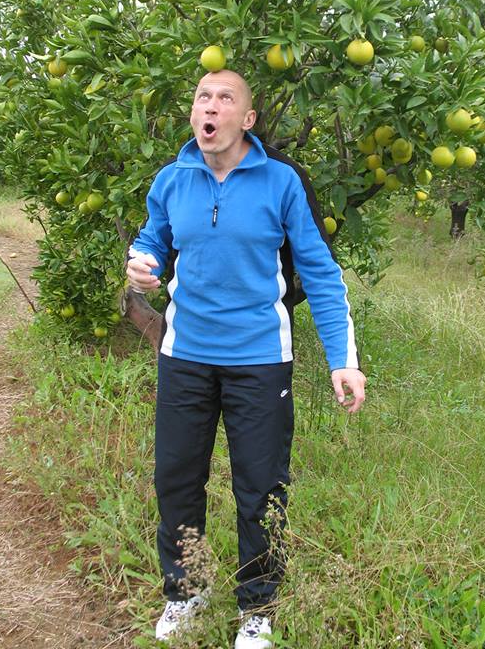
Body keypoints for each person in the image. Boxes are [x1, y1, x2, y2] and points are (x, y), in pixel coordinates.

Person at [126, 69, 366, 648]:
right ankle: (186, 590)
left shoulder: (281, 183)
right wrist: (141, 262)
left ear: (247, 119)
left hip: (260, 361)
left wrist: (343, 358)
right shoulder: (171, 179)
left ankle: (258, 607)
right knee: (177, 480)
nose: (210, 107)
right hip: (184, 357)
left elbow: (320, 273)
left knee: (260, 487)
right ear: (194, 114)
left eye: (224, 98)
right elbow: (153, 238)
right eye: (202, 97)